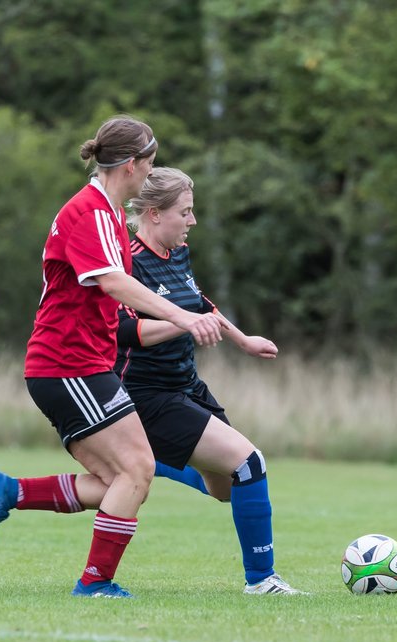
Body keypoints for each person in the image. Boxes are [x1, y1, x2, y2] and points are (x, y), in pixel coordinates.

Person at [0, 115, 223, 599]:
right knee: (137, 470)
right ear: (130, 166)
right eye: (149, 168)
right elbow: (113, 282)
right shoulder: (88, 212)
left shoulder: (106, 210)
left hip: (80, 364)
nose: (151, 178)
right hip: (68, 364)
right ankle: (95, 582)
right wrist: (185, 318)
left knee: (116, 480)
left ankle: (11, 491)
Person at [115, 166, 303, 595]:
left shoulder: (176, 252)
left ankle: (155, 463)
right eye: (186, 212)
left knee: (226, 488)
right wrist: (183, 323)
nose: (192, 221)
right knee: (249, 462)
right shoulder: (128, 262)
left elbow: (199, 303)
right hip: (148, 395)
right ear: (155, 213)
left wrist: (243, 341)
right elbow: (127, 333)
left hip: (187, 385)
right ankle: (262, 581)